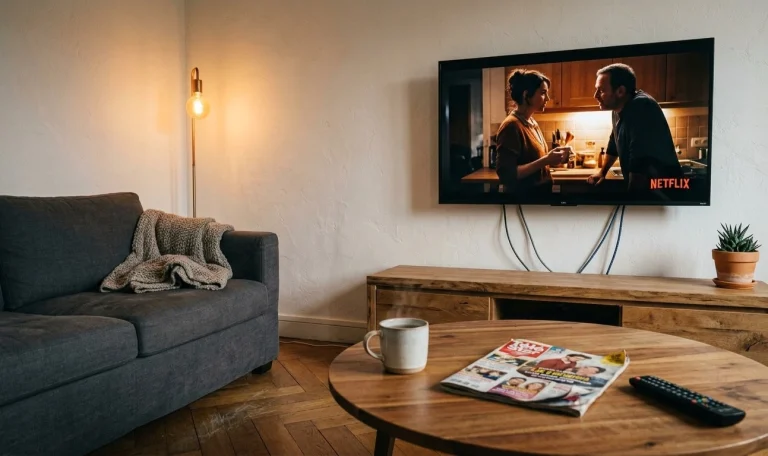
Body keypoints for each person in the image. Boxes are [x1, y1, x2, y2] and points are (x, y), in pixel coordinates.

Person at [587, 63, 682, 194]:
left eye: (601, 90)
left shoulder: (641, 107)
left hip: (663, 193)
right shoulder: (618, 109)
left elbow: (639, 165)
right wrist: (602, 172)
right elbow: (614, 142)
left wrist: (630, 204)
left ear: (620, 91)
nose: (595, 95)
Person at [495, 69, 572, 196]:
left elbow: (534, 161)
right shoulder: (511, 126)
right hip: (524, 202)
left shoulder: (531, 122)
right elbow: (507, 175)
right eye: (543, 93)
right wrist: (545, 160)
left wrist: (554, 159)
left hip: (540, 199)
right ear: (526, 95)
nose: (547, 98)